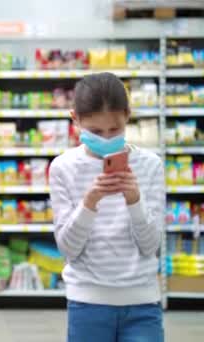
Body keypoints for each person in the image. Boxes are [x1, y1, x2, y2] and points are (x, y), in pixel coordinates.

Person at [49, 72, 165, 342]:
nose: (106, 138)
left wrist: (135, 200)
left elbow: (150, 246)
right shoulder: (63, 168)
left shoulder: (150, 165)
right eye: (96, 131)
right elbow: (68, 249)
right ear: (75, 119)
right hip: (87, 302)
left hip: (142, 303)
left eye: (114, 130)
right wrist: (89, 204)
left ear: (127, 115)